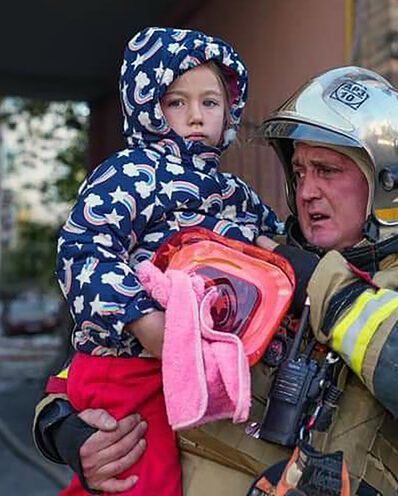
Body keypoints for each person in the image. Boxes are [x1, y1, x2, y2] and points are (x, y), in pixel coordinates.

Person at [33, 67, 398, 496]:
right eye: (300, 170)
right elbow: (106, 360)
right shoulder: (239, 257)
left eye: (328, 170)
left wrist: (317, 282)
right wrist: (65, 432)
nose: (307, 190)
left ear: (391, 181)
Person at [53, 27, 284, 495]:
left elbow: (276, 255)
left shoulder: (237, 194)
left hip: (204, 365)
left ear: (231, 108)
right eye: (176, 102)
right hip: (129, 366)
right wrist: (142, 317)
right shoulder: (128, 173)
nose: (195, 116)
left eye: (210, 102)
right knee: (140, 477)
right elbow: (83, 251)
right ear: (146, 107)